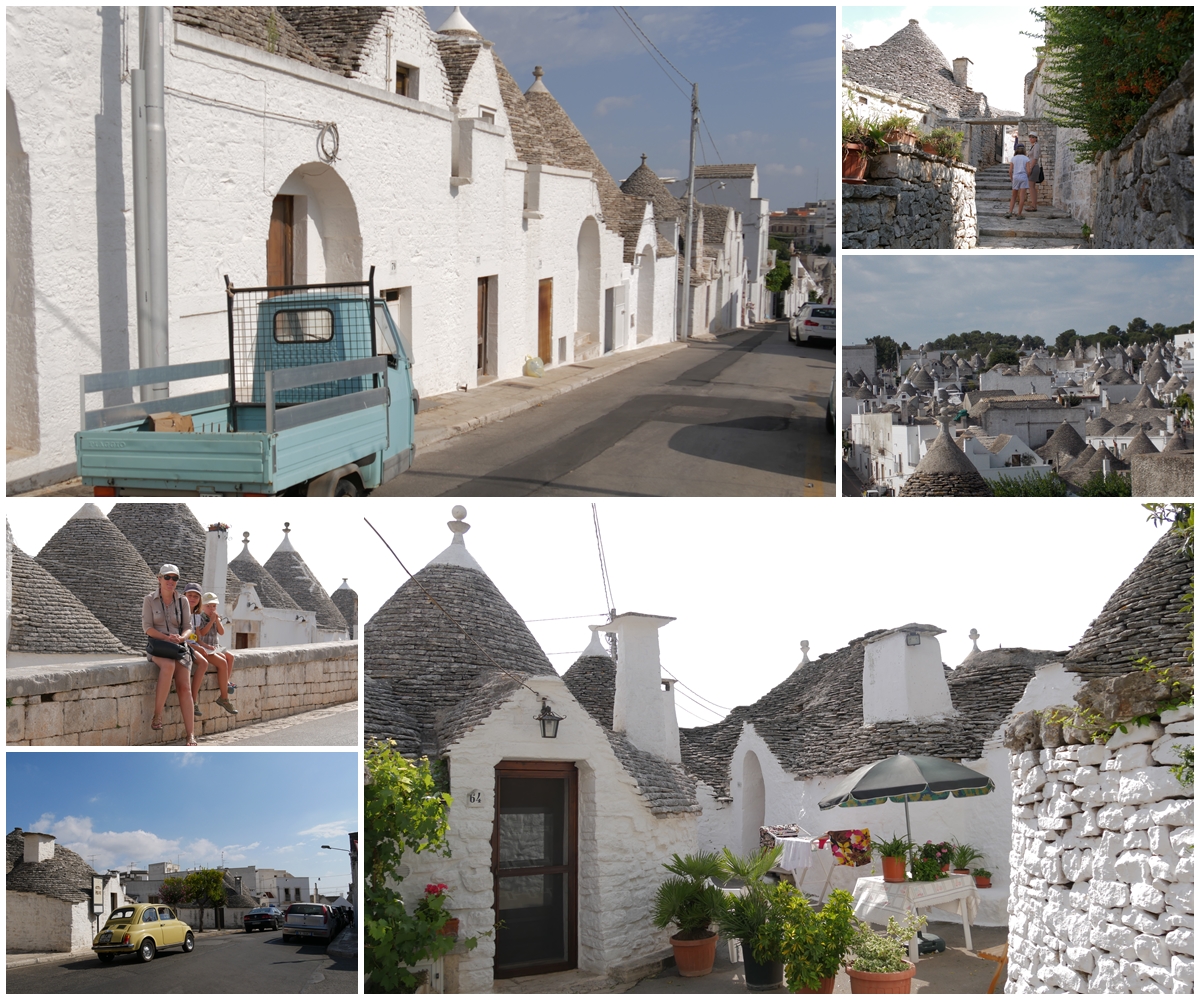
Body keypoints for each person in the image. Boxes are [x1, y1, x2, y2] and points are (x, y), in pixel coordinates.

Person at [142, 564, 197, 745]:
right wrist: (166, 637)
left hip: (178, 647)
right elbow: (148, 628)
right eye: (167, 577)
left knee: (185, 688)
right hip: (159, 646)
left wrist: (181, 637)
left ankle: (190, 734)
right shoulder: (149, 600)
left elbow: (188, 627)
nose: (171, 581)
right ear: (159, 579)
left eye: (175, 578)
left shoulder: (183, 601)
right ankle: (158, 715)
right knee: (168, 665)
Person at [189, 589, 237, 716]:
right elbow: (202, 634)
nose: (211, 608)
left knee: (230, 657)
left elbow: (221, 632)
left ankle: (226, 682)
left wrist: (216, 620)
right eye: (208, 606)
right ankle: (224, 697)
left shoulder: (216, 617)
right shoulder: (200, 618)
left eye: (213, 606)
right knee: (222, 662)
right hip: (204, 646)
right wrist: (211, 621)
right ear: (203, 606)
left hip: (213, 646)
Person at [1007, 143, 1031, 220]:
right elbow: (1029, 170)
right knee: (1022, 197)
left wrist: (1012, 178)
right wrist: (1026, 176)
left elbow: (1010, 171)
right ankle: (1019, 214)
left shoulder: (1013, 158)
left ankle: (1010, 212)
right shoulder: (1026, 158)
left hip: (1016, 177)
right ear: (1024, 150)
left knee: (1014, 196)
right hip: (1023, 177)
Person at [1027, 134, 1042, 211]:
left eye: (1033, 137)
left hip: (1034, 167)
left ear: (1036, 138)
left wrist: (1030, 168)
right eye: (1030, 137)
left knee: (1031, 186)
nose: (1031, 138)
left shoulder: (1036, 146)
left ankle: (1033, 206)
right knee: (1031, 187)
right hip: (1032, 167)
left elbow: (1035, 158)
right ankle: (1033, 205)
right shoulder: (1033, 146)